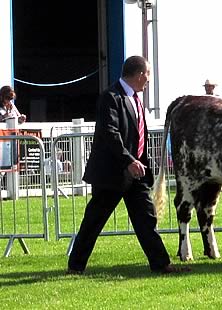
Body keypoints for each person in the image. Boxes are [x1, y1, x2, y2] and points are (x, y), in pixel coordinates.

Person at [67, 56, 190, 275]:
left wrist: (139, 163)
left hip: (136, 174)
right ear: (140, 74)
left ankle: (161, 265)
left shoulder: (135, 99)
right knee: (94, 221)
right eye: (148, 75)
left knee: (146, 219)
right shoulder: (110, 97)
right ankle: (75, 267)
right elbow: (110, 133)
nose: (149, 80)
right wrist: (129, 160)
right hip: (112, 173)